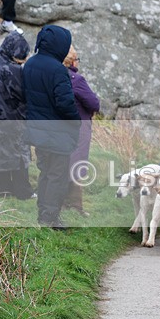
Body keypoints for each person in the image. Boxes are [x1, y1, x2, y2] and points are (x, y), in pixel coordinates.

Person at [23, 25, 81, 230]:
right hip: (57, 133)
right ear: (59, 44)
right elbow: (65, 103)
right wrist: (76, 121)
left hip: (37, 131)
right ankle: (51, 218)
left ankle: (43, 214)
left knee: (45, 172)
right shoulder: (58, 69)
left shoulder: (30, 64)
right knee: (57, 176)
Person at [0, 32, 35, 199]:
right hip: (13, 120)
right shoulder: (13, 70)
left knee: (0, 156)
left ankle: (4, 190)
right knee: (19, 156)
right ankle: (23, 191)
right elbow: (22, 95)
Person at [62, 45, 100, 217]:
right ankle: (75, 205)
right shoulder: (76, 79)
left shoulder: (57, 77)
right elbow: (93, 103)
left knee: (62, 163)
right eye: (77, 59)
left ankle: (62, 203)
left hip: (60, 126)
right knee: (77, 163)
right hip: (79, 126)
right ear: (72, 61)